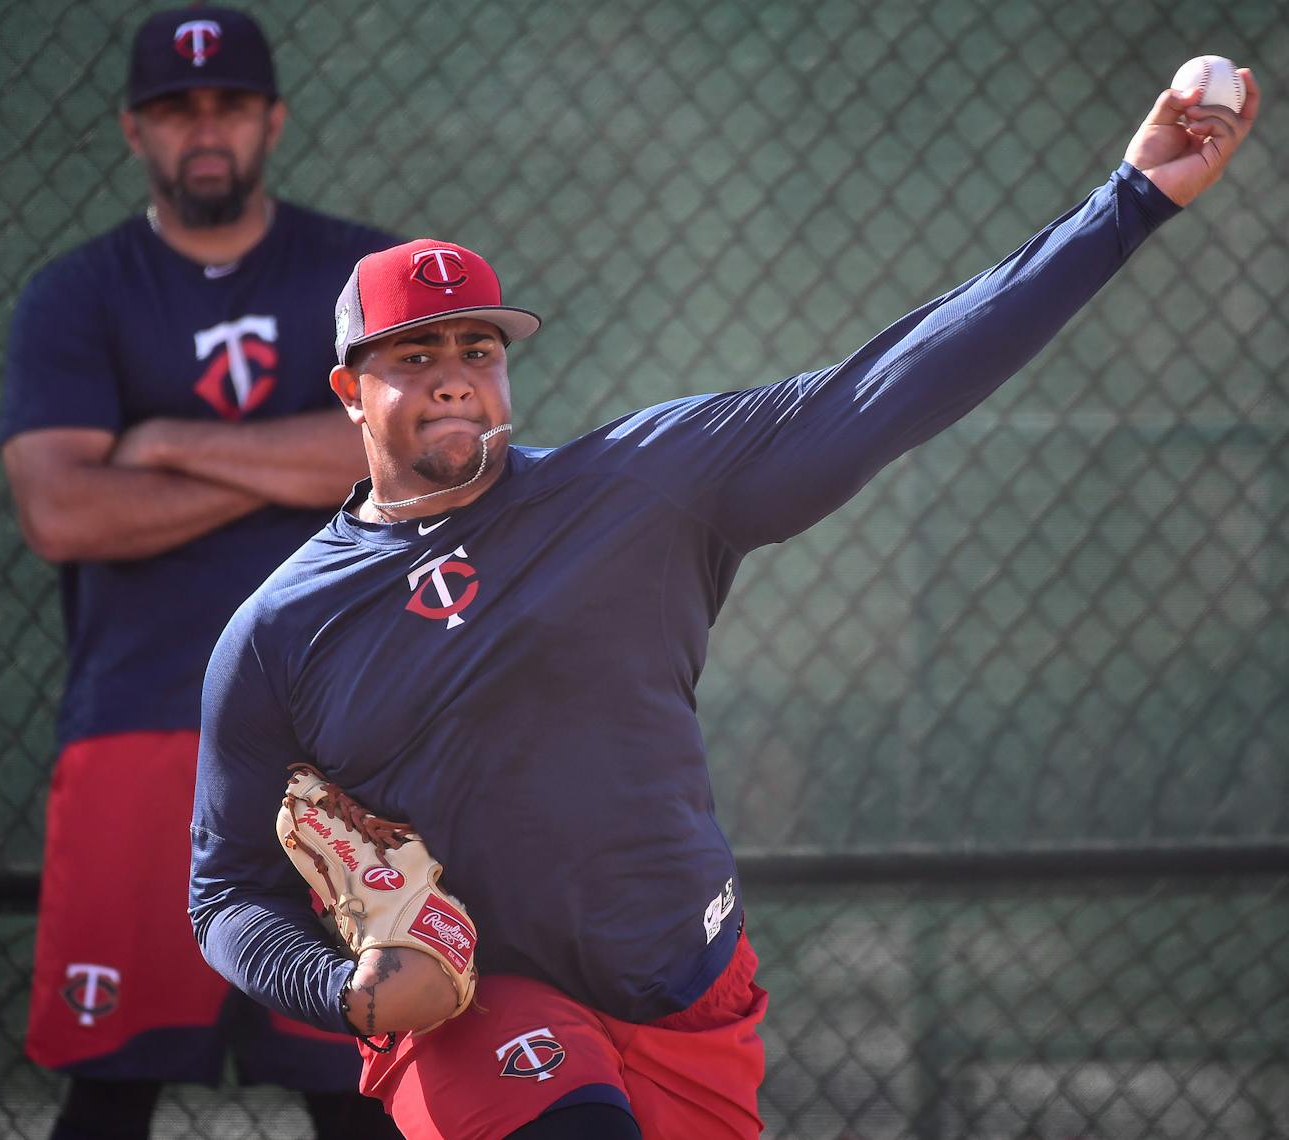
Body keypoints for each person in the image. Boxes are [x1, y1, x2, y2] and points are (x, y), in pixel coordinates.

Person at [188, 71, 1259, 1140]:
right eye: (413, 356)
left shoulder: (637, 491)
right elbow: (226, 891)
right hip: (480, 1007)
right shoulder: (282, 631)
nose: (455, 375)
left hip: (686, 986)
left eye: (478, 349)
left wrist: (1127, 202)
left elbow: (884, 388)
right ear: (347, 391)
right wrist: (345, 996)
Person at [0, 7, 404, 1138]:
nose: (205, 129)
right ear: (136, 131)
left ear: (270, 118)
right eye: (178, 111)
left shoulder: (352, 275)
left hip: (343, 726)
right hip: (140, 718)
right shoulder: (76, 295)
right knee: (111, 1087)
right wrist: (300, 461)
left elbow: (401, 449)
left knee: (361, 1081)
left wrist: (166, 440)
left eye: (227, 104)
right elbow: (62, 509)